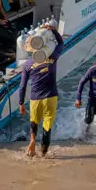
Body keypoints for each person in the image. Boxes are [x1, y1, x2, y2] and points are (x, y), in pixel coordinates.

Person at [18, 21, 64, 158]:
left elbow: (22, 86)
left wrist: (21, 103)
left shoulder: (27, 65)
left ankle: (32, 141)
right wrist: (54, 31)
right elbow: (61, 44)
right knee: (47, 126)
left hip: (35, 99)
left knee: (34, 122)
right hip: (51, 97)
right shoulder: (52, 57)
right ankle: (43, 152)